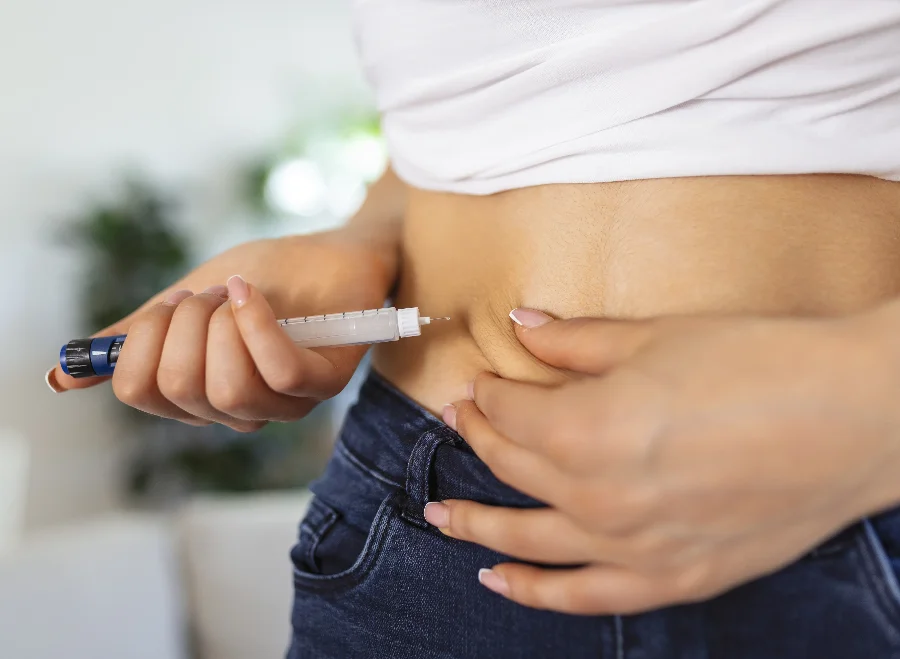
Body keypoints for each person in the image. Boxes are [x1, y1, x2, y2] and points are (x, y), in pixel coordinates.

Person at [47, 2, 900, 657]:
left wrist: (862, 411)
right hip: (429, 523)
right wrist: (362, 236)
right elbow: (459, 117)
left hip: (844, 497)